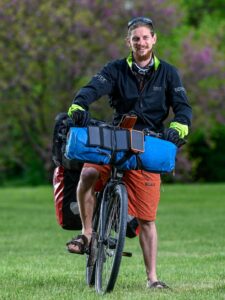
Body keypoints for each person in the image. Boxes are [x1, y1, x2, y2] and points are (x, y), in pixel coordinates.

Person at [66, 16, 192, 289]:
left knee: (147, 218)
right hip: (118, 135)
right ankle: (87, 233)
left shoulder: (168, 73)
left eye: (146, 37)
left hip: (149, 142)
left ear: (154, 39)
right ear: (129, 42)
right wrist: (79, 106)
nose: (141, 42)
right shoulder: (115, 69)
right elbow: (92, 88)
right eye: (136, 38)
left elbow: (183, 108)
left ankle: (153, 279)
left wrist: (178, 128)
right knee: (88, 172)